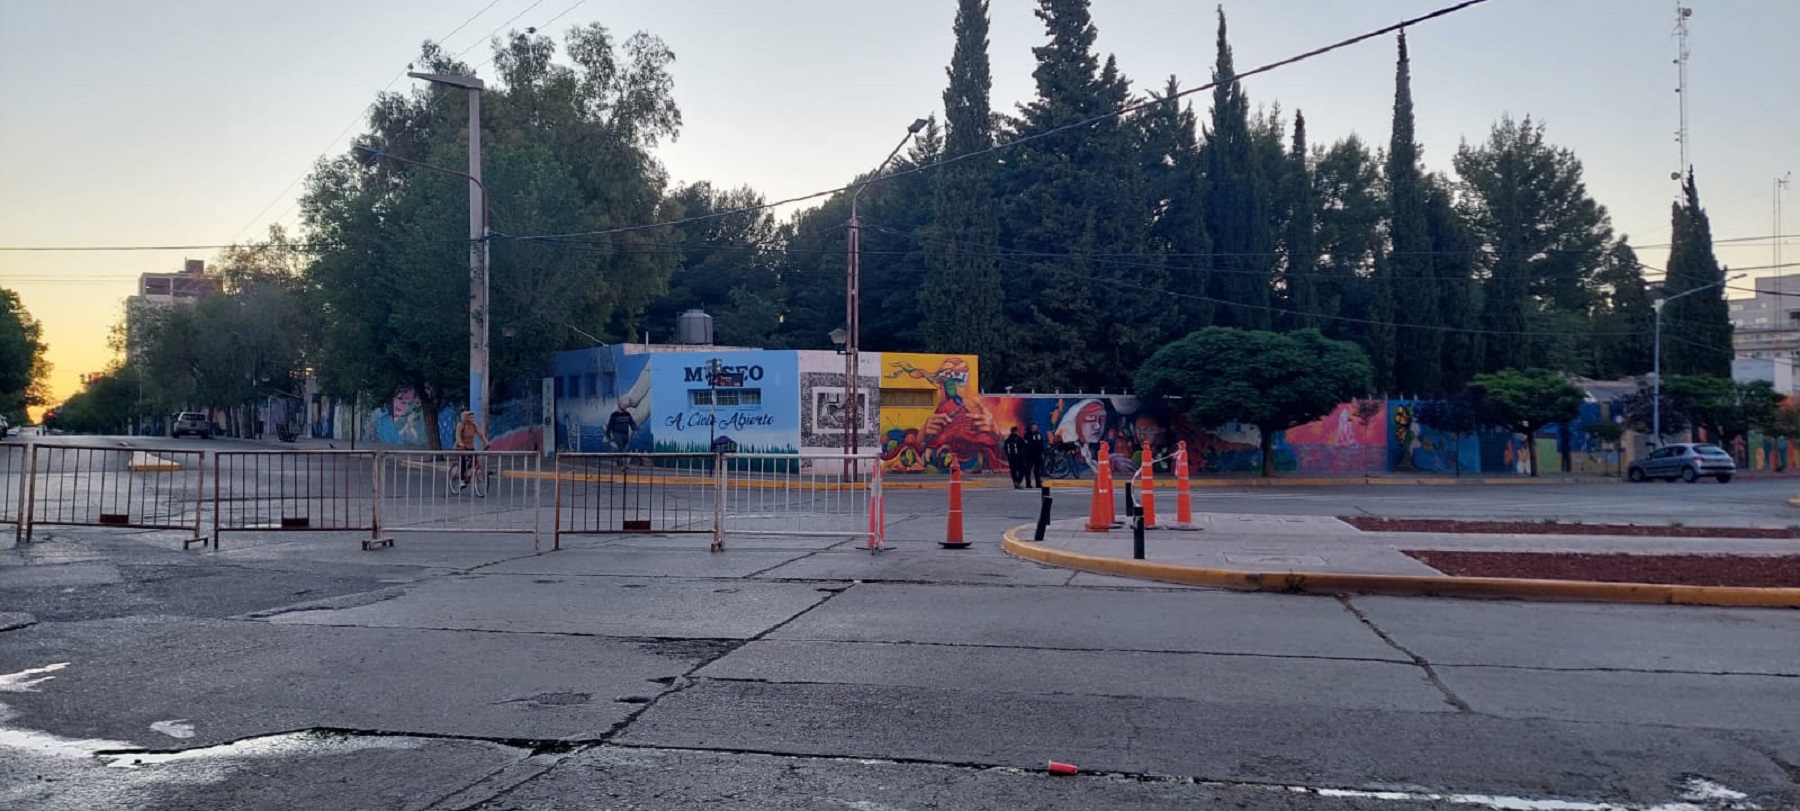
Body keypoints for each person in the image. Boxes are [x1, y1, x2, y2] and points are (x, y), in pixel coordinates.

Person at [452, 410, 488, 491]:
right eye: (471, 417)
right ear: (466, 418)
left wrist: (486, 442)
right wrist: (460, 443)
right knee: (463, 462)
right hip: (460, 447)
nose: (472, 419)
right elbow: (457, 435)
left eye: (473, 417)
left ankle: (467, 473)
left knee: (474, 460)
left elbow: (481, 434)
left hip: (470, 446)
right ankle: (461, 481)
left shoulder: (474, 425)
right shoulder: (461, 425)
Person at [607, 398, 638, 468]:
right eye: (623, 404)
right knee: (620, 446)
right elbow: (610, 425)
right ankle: (622, 464)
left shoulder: (627, 414)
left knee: (622, 448)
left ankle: (618, 461)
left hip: (625, 434)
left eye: (625, 405)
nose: (625, 406)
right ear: (619, 405)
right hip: (617, 433)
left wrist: (635, 429)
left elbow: (631, 422)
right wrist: (608, 434)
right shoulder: (614, 415)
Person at [1023, 422, 1047, 488]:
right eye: (1034, 427)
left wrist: (1042, 452)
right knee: (1028, 469)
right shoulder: (1027, 435)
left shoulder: (1039, 434)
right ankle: (1028, 484)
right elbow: (1027, 444)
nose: (1035, 428)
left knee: (1037, 470)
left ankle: (1038, 483)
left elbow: (1041, 443)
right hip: (1029, 455)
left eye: (1036, 426)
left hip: (1037, 454)